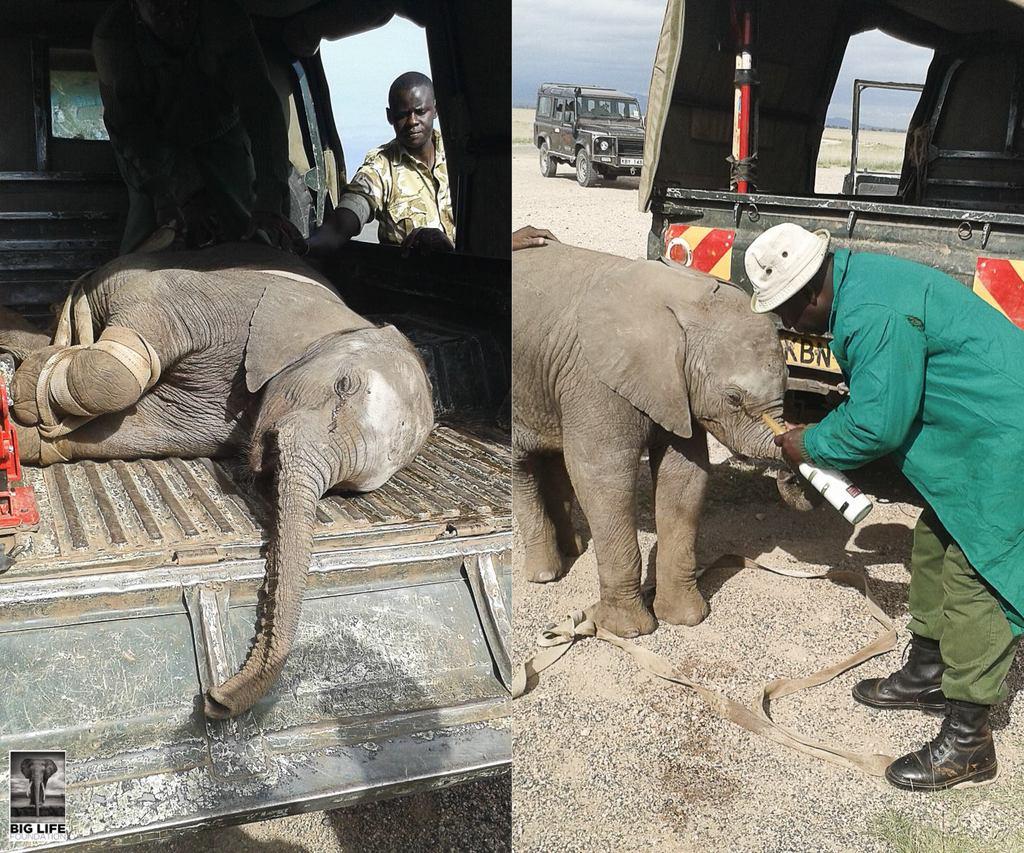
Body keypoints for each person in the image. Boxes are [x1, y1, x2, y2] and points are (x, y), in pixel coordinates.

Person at [746, 222, 1024, 791]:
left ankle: (971, 742)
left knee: (979, 572)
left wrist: (810, 443)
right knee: (932, 540)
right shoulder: (859, 284)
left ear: (812, 292)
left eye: (788, 312)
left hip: (1006, 437)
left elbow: (877, 424)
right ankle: (929, 670)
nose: (789, 325)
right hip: (980, 431)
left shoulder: (869, 313)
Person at [94, 0, 301, 254]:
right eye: (162, 12)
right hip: (154, 139)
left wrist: (270, 196)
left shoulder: (225, 16)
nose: (178, 23)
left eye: (186, 9)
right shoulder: (113, 39)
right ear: (135, 7)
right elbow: (131, 131)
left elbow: (261, 108)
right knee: (148, 241)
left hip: (222, 128)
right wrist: (164, 194)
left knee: (250, 229)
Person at [307, 72, 454, 256]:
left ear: (435, 110)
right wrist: (306, 246)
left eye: (420, 111)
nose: (412, 121)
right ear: (390, 116)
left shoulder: (458, 158)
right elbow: (348, 216)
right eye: (402, 115)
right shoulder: (381, 166)